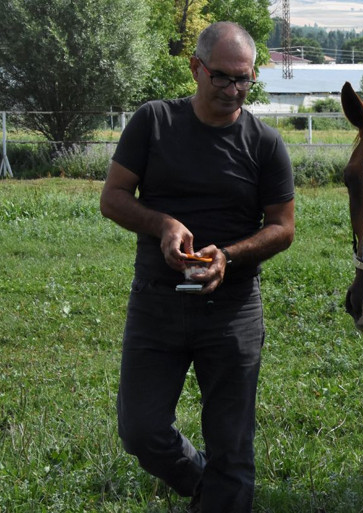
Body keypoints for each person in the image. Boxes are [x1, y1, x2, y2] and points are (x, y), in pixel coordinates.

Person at [99, 21, 295, 512]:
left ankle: (224, 492)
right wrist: (163, 224)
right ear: (195, 68)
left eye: (243, 79)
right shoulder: (154, 122)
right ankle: (207, 483)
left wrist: (228, 256)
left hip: (232, 310)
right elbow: (113, 197)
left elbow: (282, 227)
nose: (233, 89)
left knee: (233, 444)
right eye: (222, 77)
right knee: (141, 430)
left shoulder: (265, 143)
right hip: (156, 301)